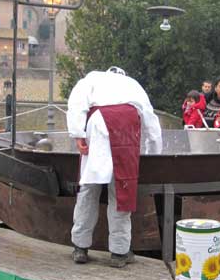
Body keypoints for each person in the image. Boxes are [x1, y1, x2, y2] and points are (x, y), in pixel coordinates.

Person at [66, 66, 162, 268]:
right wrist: (154, 150)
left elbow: (77, 102)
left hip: (97, 124)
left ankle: (80, 247)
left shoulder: (92, 79)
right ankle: (119, 252)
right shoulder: (132, 84)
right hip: (126, 125)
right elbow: (150, 118)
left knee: (88, 189)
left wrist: (78, 134)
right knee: (121, 191)